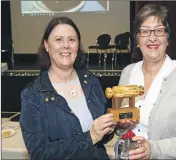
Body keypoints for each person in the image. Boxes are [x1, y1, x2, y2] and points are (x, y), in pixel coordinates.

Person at [115, 3, 176, 159]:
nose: (152, 38)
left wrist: (154, 149)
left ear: (168, 37)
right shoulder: (128, 73)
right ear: (137, 38)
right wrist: (120, 126)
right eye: (145, 31)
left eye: (159, 30)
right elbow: (119, 126)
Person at [19, 16, 115, 160]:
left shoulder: (91, 82)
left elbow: (102, 137)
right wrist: (90, 137)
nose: (66, 46)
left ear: (78, 45)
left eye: (72, 40)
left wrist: (110, 129)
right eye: (58, 40)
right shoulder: (32, 95)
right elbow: (39, 153)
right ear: (46, 45)